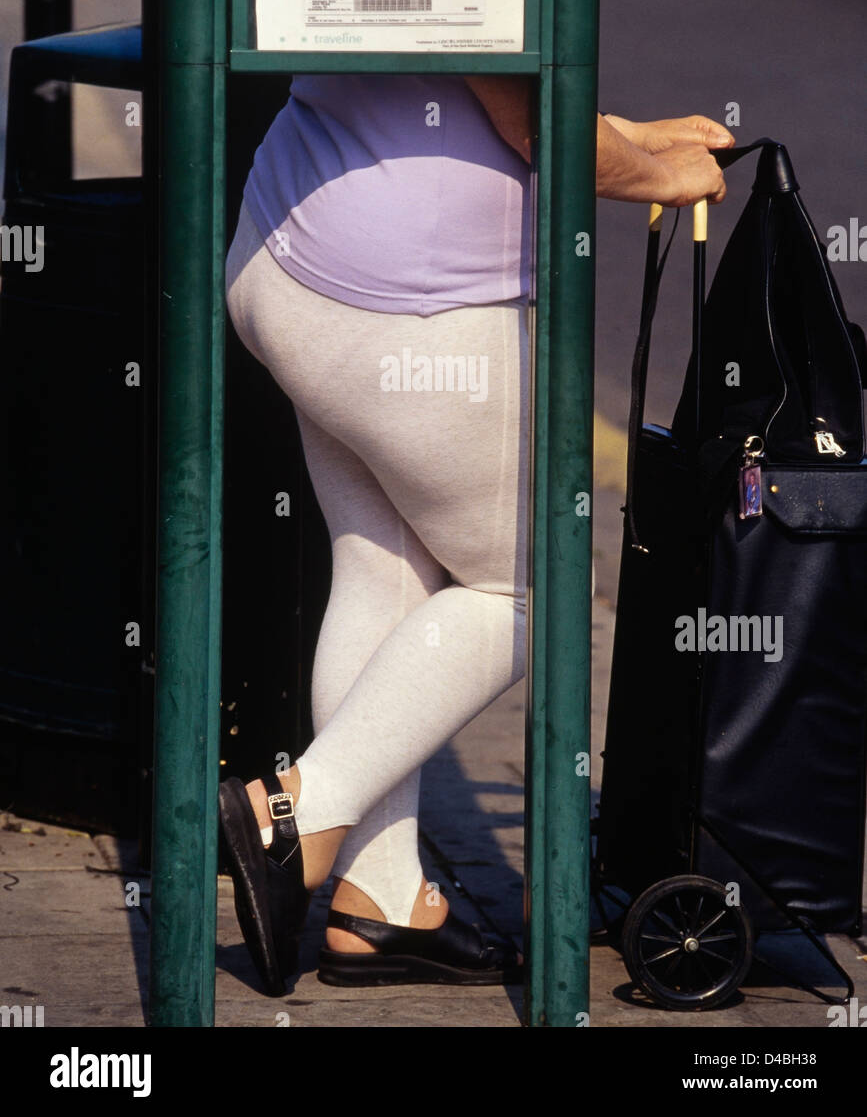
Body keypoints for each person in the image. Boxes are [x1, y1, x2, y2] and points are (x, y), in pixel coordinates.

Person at [220, 74, 732, 993]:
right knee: (533, 584)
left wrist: (624, 132)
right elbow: (530, 121)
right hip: (403, 316)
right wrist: (653, 176)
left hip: (288, 256)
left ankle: (378, 905)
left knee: (386, 573)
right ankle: (296, 812)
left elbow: (469, 78)